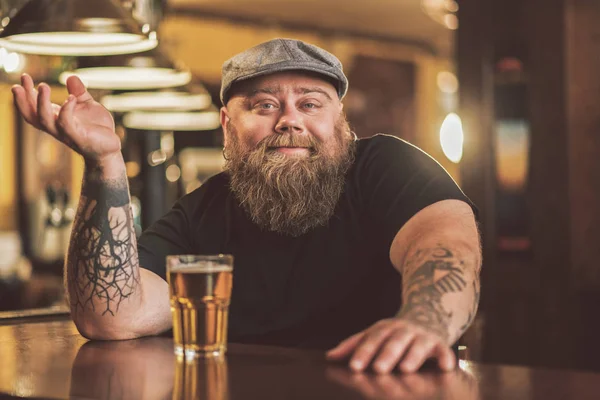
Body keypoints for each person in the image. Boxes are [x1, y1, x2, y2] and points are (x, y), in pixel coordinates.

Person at [12, 38, 481, 374]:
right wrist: (104, 163)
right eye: (263, 106)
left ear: (341, 121)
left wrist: (424, 321)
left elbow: (447, 241)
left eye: (311, 104)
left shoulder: (386, 166)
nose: (289, 120)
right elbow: (111, 317)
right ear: (226, 124)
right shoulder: (202, 210)